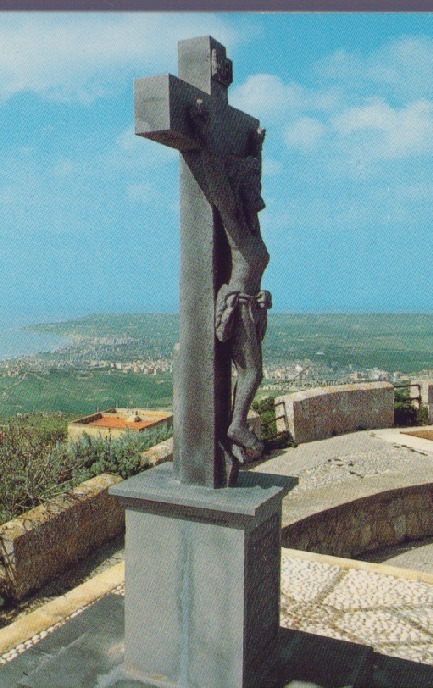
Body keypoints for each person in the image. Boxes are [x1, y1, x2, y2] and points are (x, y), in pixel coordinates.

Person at [187, 101, 271, 470]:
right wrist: (202, 136)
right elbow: (220, 191)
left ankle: (237, 426)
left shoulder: (254, 230)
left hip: (251, 305)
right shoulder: (238, 229)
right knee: (252, 372)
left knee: (252, 372)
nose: (258, 197)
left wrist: (256, 151)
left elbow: (252, 179)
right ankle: (237, 425)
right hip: (236, 306)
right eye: (251, 191)